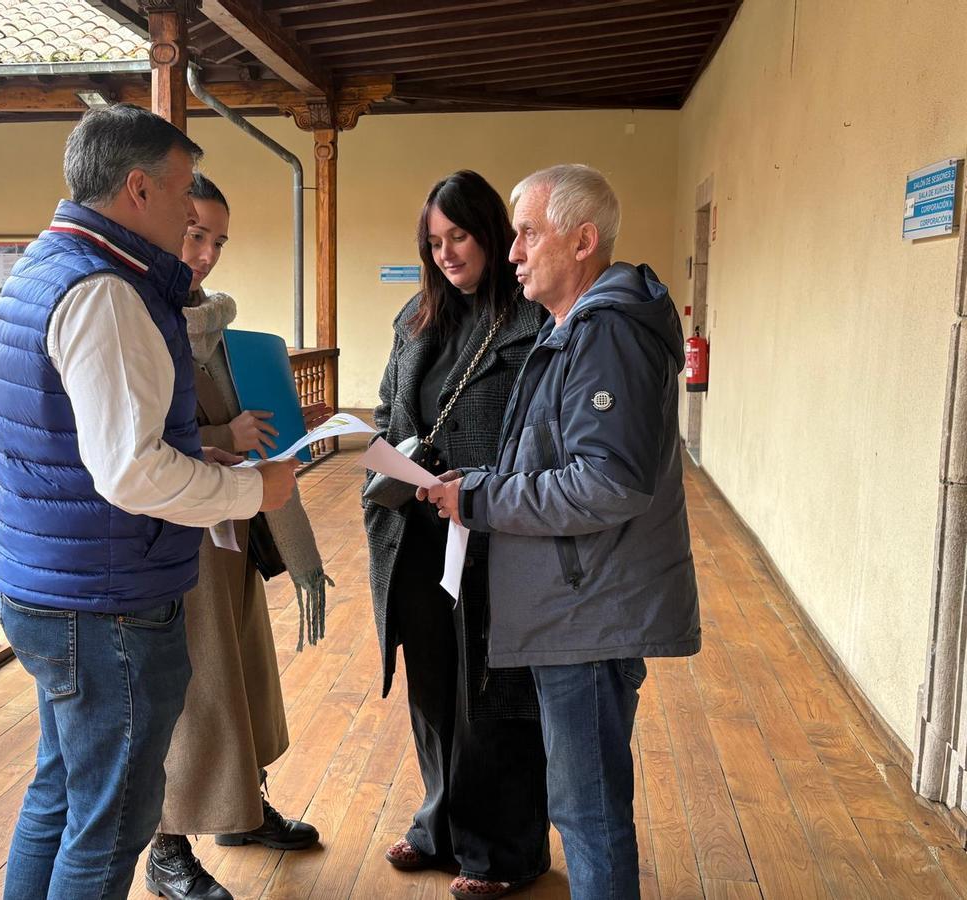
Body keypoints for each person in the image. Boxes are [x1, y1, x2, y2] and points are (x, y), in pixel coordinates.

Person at [0, 105, 299, 900]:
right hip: (106, 601)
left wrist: (203, 454)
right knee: (113, 822)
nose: (193, 211)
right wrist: (248, 486)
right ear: (137, 190)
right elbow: (129, 473)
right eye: (183, 191)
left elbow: (93, 439)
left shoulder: (44, 266)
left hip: (54, 582)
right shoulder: (106, 294)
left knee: (60, 796)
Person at [423, 164, 701, 900]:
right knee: (582, 802)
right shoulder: (576, 329)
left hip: (590, 611)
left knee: (588, 810)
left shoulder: (606, 335)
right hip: (579, 602)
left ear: (583, 242)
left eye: (527, 233)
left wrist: (479, 499)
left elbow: (607, 483)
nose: (511, 252)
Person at [363, 170, 550, 900]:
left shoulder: (532, 321)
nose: (445, 253)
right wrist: (385, 455)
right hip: (415, 532)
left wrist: (472, 484)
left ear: (492, 233)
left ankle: (504, 852)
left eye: (459, 236)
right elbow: (387, 410)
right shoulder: (417, 318)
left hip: (492, 530)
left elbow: (541, 434)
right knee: (433, 688)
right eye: (433, 242)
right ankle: (439, 824)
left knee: (496, 694)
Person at [145, 173, 327, 900]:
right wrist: (226, 431)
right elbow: (139, 442)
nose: (208, 253)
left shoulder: (212, 322)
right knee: (192, 694)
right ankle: (165, 848)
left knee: (246, 673)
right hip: (172, 540)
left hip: (235, 527)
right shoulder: (140, 317)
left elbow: (234, 410)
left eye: (218, 240)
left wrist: (279, 420)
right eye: (196, 233)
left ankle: (241, 811)